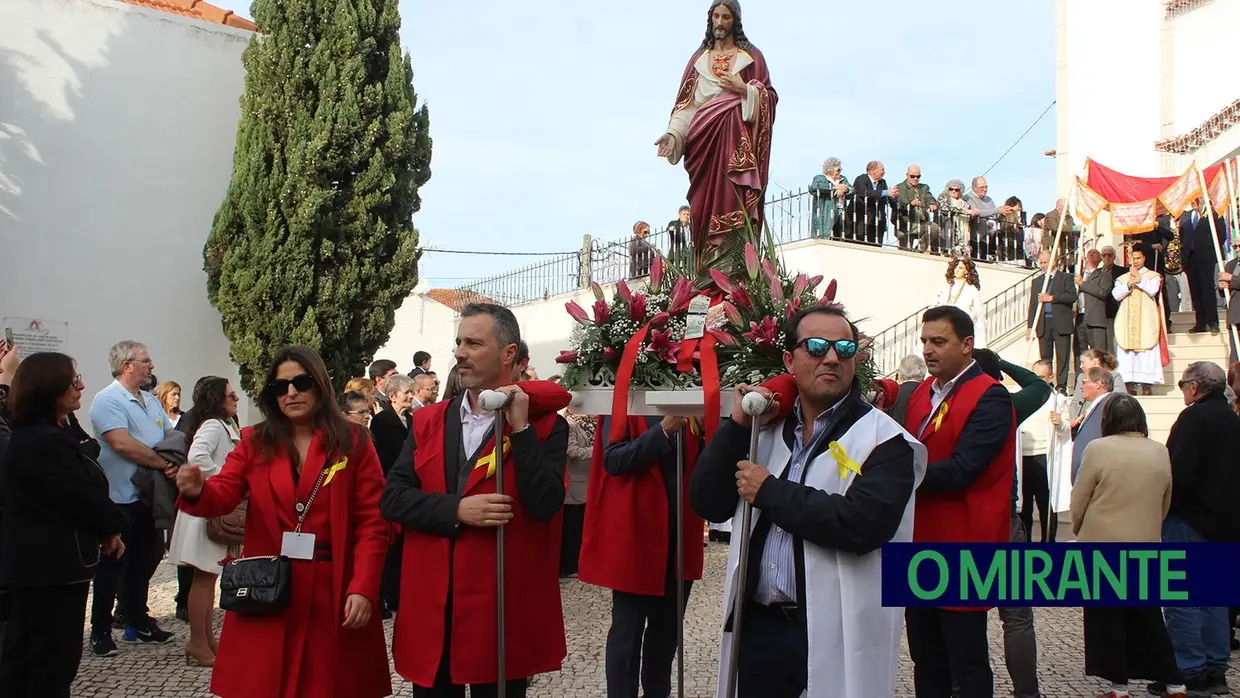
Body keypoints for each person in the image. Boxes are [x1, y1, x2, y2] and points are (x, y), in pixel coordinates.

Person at [690, 304, 926, 698]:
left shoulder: (885, 441)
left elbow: (862, 525)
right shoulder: (764, 429)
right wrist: (737, 427)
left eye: (844, 349)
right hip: (760, 627)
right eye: (816, 347)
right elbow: (708, 502)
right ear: (789, 360)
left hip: (837, 628)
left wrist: (769, 490)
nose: (831, 357)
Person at [173, 346, 392, 698]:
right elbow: (224, 493)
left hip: (332, 591)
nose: (291, 393)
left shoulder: (354, 442)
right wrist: (198, 490)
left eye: (301, 383)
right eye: (280, 387)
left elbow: (373, 522)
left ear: (319, 385)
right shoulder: (254, 442)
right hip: (268, 589)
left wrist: (363, 586)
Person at [380, 302, 570, 697]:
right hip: (433, 609)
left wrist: (520, 429)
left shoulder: (547, 427)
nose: (459, 352)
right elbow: (393, 499)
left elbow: (546, 504)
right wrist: (456, 510)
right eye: (458, 342)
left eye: (473, 343)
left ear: (509, 354)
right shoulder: (428, 421)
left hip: (499, 614)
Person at [903, 305, 1016, 698]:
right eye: (924, 342)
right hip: (919, 542)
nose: (928, 350)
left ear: (967, 345)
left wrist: (896, 478)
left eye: (939, 341)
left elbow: (964, 468)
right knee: (925, 656)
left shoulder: (991, 396)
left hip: (965, 543)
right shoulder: (921, 393)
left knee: (965, 660)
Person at [0, 353, 127, 698]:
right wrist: (113, 524)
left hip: (51, 570)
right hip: (48, 571)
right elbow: (78, 496)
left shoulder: (50, 433)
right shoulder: (42, 441)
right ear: (48, 388)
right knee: (47, 664)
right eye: (72, 380)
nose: (81, 385)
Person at [1069, 393, 1189, 698]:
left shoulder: (1098, 449)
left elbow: (1080, 497)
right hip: (1145, 542)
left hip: (1103, 544)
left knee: (1107, 619)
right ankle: (1174, 682)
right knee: (1148, 617)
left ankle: (1118, 686)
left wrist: (1079, 527)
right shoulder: (1158, 451)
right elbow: (1166, 497)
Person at [580, 407, 703, 698]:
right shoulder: (626, 403)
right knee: (627, 634)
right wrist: (663, 431)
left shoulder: (693, 404)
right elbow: (614, 459)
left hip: (679, 540)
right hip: (638, 538)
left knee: (666, 636)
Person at [655, 0, 777, 271]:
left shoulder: (752, 58)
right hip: (704, 146)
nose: (720, 23)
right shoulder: (699, 60)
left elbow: (768, 97)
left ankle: (736, 274)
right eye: (716, 17)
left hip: (735, 150)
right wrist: (673, 134)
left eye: (726, 17)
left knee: (735, 207)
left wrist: (744, 89)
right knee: (703, 211)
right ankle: (707, 273)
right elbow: (687, 107)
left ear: (736, 21)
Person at [88, 340, 177, 656]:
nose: (151, 365)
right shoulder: (107, 401)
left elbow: (169, 436)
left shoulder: (150, 402)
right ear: (127, 365)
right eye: (146, 360)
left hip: (148, 497)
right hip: (118, 499)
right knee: (111, 566)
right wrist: (164, 463)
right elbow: (122, 444)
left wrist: (171, 457)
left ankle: (136, 621)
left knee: (143, 562)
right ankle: (99, 632)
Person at [1158, 361, 1240, 696]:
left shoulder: (1193, 419)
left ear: (1194, 386)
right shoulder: (1232, 419)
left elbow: (1179, 471)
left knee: (1183, 600)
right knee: (1215, 599)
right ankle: (1216, 671)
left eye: (1181, 384)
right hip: (1225, 520)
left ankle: (1190, 670)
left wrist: (1166, 509)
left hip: (1189, 519)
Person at [971, 348, 1050, 698]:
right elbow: (1039, 385)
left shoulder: (952, 404)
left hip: (964, 516)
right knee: (1017, 617)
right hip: (1003, 517)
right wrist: (1001, 363)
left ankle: (968, 687)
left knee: (966, 614)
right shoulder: (1006, 406)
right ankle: (1026, 693)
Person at [165, 376, 240, 667]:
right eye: (231, 395)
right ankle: (198, 641)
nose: (236, 399)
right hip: (206, 510)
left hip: (211, 508)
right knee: (203, 579)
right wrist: (227, 481)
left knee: (208, 579)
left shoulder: (224, 425)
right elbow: (197, 458)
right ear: (217, 399)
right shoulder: (212, 425)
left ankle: (206, 639)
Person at [369, 373, 414, 618]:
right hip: (392, 485)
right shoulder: (384, 420)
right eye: (406, 392)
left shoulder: (410, 418)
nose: (410, 396)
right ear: (392, 395)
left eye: (411, 392)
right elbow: (395, 454)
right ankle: (389, 594)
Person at [1112, 244, 1165, 395]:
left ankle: (1147, 384)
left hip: (1146, 318)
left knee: (1146, 347)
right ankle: (1129, 384)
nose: (1135, 261)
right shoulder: (1122, 278)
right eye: (1133, 258)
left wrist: (1140, 280)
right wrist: (1129, 284)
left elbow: (1153, 290)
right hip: (1127, 318)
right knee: (1127, 350)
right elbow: (1116, 295)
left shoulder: (1153, 276)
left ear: (1144, 258)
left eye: (1138, 258)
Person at [1027, 250, 1078, 391]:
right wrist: (1030, 326)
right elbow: (1033, 305)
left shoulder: (1065, 278)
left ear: (1053, 262)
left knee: (1062, 356)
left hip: (1061, 322)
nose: (1043, 265)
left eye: (1046, 262)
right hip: (1044, 324)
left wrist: (1052, 298)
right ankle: (1046, 384)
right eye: (1041, 263)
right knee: (1045, 357)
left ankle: (1061, 385)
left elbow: (1072, 296)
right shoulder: (1037, 281)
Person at [560, 405, 593, 578]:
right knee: (573, 526)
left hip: (588, 481)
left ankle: (578, 563)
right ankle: (569, 565)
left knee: (581, 525)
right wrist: (599, 450)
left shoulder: (587, 424)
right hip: (575, 483)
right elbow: (572, 451)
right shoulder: (570, 424)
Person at [1068, 368, 1116, 484]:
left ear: (1098, 384)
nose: (1081, 387)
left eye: (1084, 382)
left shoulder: (1109, 407)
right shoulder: (1097, 406)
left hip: (1098, 480)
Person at [932, 255, 986, 348]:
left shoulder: (971, 290)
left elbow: (976, 315)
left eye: (960, 268)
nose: (956, 270)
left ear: (966, 271)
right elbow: (935, 305)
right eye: (956, 267)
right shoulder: (946, 287)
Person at [1069, 349, 1127, 422]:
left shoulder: (1114, 376)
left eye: (1083, 362)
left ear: (1094, 361)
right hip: (1081, 421)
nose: (1081, 366)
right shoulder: (1081, 377)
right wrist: (1073, 418)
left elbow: (1120, 398)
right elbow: (1075, 401)